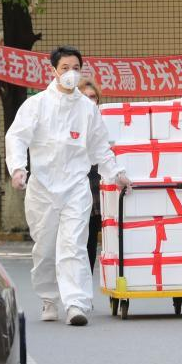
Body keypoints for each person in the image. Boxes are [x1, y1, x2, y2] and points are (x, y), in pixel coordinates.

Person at [6, 46, 131, 326]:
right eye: (65, 68)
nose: (71, 73)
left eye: (76, 68)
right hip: (42, 189)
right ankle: (49, 299)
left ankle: (76, 303)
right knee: (45, 248)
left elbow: (100, 146)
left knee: (73, 245)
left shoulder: (87, 109)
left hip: (75, 187)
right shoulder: (37, 105)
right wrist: (17, 168)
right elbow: (17, 137)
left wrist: (116, 173)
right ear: (53, 70)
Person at [78, 77, 103, 272]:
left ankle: (85, 286)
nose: (90, 101)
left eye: (93, 97)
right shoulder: (69, 123)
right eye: (85, 97)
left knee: (91, 243)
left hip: (97, 190)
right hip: (75, 192)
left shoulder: (104, 121)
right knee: (76, 244)